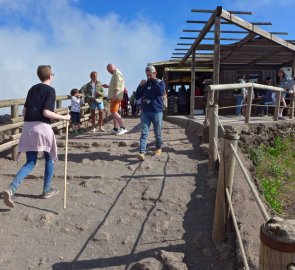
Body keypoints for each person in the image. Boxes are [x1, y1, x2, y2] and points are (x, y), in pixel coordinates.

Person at [2, 65, 71, 208]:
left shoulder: (32, 89)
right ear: (50, 76)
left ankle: (11, 188)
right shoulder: (50, 90)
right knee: (49, 158)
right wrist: (64, 117)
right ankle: (46, 190)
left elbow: (24, 112)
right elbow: (46, 112)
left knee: (31, 162)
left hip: (28, 127)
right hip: (42, 127)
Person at [135, 65, 165, 161]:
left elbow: (160, 92)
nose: (148, 76)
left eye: (150, 74)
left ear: (155, 73)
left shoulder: (160, 82)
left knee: (157, 133)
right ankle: (142, 152)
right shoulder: (145, 84)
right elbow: (137, 96)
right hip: (145, 113)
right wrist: (140, 86)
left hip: (157, 112)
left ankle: (158, 148)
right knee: (144, 133)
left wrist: (154, 80)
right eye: (147, 75)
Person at [105, 63, 127, 135]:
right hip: (115, 96)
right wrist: (108, 86)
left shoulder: (117, 73)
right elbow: (115, 85)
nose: (108, 72)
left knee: (114, 112)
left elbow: (117, 86)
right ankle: (115, 128)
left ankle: (123, 128)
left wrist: (115, 95)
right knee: (114, 112)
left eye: (108, 70)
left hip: (116, 96)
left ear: (111, 68)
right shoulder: (116, 73)